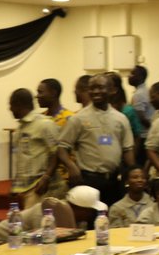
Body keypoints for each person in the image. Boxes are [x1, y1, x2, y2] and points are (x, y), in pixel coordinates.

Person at [57, 73, 135, 207]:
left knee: (112, 220)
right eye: (92, 88)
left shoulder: (121, 119)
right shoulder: (78, 118)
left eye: (100, 88)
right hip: (88, 180)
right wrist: (72, 167)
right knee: (91, 223)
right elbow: (61, 148)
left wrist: (133, 173)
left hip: (113, 180)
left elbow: (127, 150)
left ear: (112, 90)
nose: (95, 92)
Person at [9, 87, 62, 207]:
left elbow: (57, 152)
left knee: (33, 224)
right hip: (26, 187)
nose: (10, 109)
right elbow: (23, 158)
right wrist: (15, 187)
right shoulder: (20, 128)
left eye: (11, 105)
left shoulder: (44, 124)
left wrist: (46, 177)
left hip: (40, 187)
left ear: (19, 104)